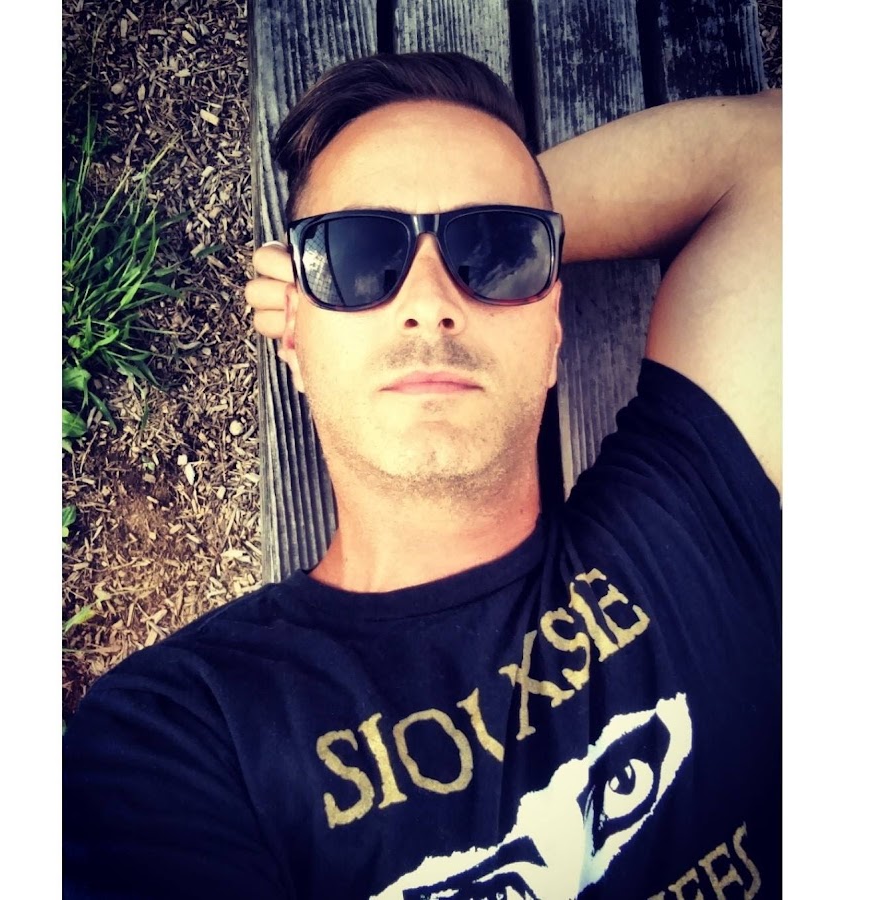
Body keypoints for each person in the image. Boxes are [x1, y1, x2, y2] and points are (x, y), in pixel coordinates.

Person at [63, 52, 781, 899]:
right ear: (294, 336)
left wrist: (517, 220)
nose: (430, 300)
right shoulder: (177, 739)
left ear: (552, 329)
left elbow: (787, 155)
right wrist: (495, 229)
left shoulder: (689, 526)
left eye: (496, 251)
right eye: (359, 255)